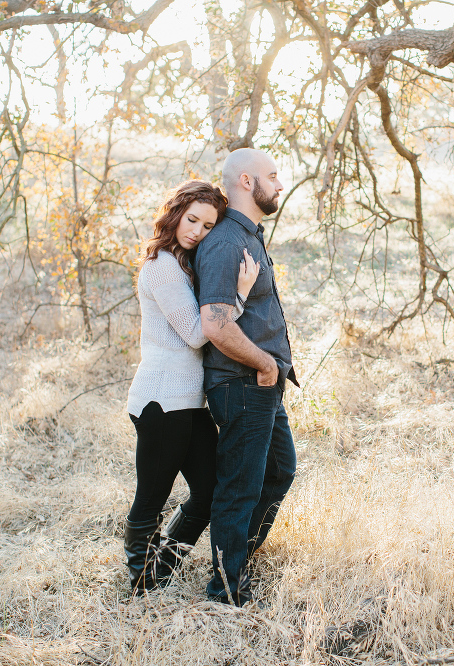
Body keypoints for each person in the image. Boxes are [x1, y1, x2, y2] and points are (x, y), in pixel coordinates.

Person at [124, 179, 260, 593]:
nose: (196, 231)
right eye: (192, 219)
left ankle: (163, 565)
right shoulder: (163, 264)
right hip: (161, 400)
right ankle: (142, 583)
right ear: (176, 214)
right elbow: (194, 333)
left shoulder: (183, 264)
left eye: (207, 225)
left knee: (210, 490)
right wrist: (238, 295)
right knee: (152, 496)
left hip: (187, 403)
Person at [195, 148, 299, 606]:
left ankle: (235, 560)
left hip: (263, 384)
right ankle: (226, 589)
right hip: (241, 383)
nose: (279, 185)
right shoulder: (224, 243)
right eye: (272, 176)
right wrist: (264, 363)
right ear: (244, 182)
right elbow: (215, 324)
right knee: (240, 486)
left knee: (278, 471)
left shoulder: (249, 236)